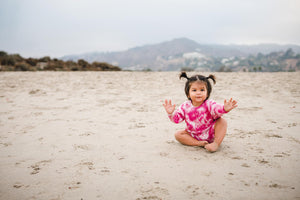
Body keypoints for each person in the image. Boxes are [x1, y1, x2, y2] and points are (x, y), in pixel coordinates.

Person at [163, 72, 237, 152]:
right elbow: (177, 120)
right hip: (193, 135)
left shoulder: (209, 104)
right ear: (188, 94)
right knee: (178, 134)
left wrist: (224, 108)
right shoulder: (185, 106)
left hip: (210, 133)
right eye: (194, 90)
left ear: (207, 93)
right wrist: (170, 113)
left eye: (202, 90)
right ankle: (199, 143)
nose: (198, 93)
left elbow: (217, 109)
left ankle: (215, 144)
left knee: (222, 121)